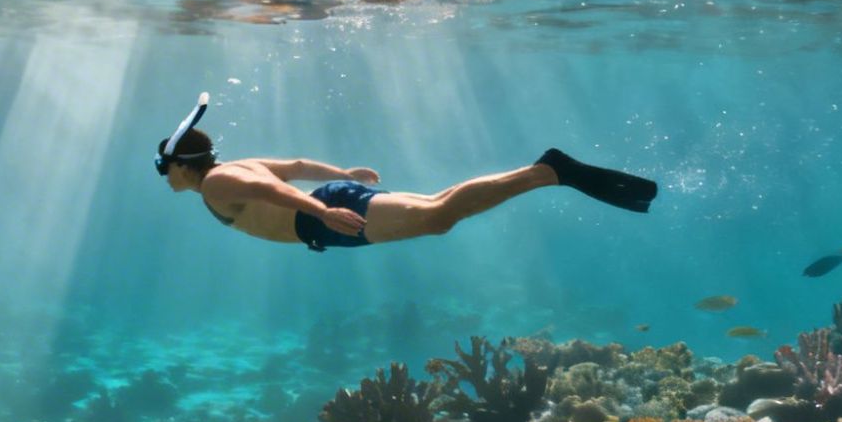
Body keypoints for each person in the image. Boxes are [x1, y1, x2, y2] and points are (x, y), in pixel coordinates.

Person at [155, 94, 657, 252]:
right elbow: (299, 166)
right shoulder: (237, 163)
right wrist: (342, 174)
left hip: (328, 216)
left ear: (183, 164)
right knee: (439, 204)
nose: (166, 178)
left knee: (439, 216)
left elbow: (269, 187)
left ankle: (547, 172)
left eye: (165, 169)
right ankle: (546, 171)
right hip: (332, 206)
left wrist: (322, 210)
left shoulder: (217, 184)